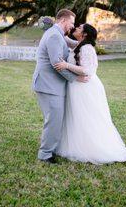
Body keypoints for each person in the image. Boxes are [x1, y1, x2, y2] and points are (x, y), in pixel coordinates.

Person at [54, 23, 126, 164]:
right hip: (76, 86)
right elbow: (64, 38)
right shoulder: (79, 44)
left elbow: (87, 70)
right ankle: (75, 144)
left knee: (86, 116)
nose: (76, 28)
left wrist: (66, 65)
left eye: (79, 28)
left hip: (85, 87)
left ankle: (92, 148)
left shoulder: (87, 48)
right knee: (76, 116)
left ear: (84, 34)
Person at [32, 9, 88, 164]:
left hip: (51, 85)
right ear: (63, 21)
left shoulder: (57, 34)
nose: (72, 26)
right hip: (48, 85)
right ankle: (45, 155)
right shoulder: (54, 36)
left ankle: (51, 148)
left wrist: (86, 45)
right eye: (71, 23)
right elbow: (57, 64)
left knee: (55, 120)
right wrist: (76, 78)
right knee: (54, 120)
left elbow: (71, 43)